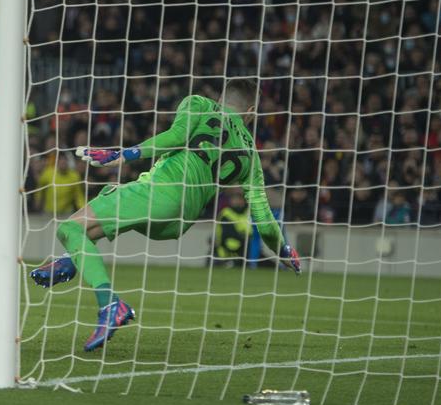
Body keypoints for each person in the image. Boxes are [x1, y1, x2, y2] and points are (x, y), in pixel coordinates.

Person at [30, 79, 301, 351]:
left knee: (69, 229)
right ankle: (70, 262)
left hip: (162, 193)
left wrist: (125, 154)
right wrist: (285, 250)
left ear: (220, 98)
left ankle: (111, 305)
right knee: (102, 210)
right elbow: (263, 216)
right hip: (180, 222)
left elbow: (175, 137)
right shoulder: (251, 154)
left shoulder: (200, 104)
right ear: (251, 111)